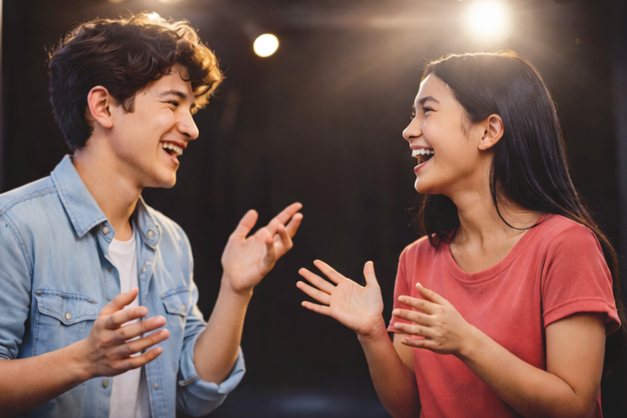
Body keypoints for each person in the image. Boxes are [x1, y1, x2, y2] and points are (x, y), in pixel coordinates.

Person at [0, 13, 303, 418]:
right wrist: (83, 360)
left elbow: (195, 394)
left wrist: (235, 289)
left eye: (191, 108)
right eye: (173, 103)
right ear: (103, 106)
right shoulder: (15, 227)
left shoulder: (171, 240)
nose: (192, 128)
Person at [297, 51, 626, 418]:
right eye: (413, 114)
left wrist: (466, 341)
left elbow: (575, 407)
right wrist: (373, 333)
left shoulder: (566, 245)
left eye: (428, 111)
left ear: (488, 131)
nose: (409, 130)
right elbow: (408, 406)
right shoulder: (417, 258)